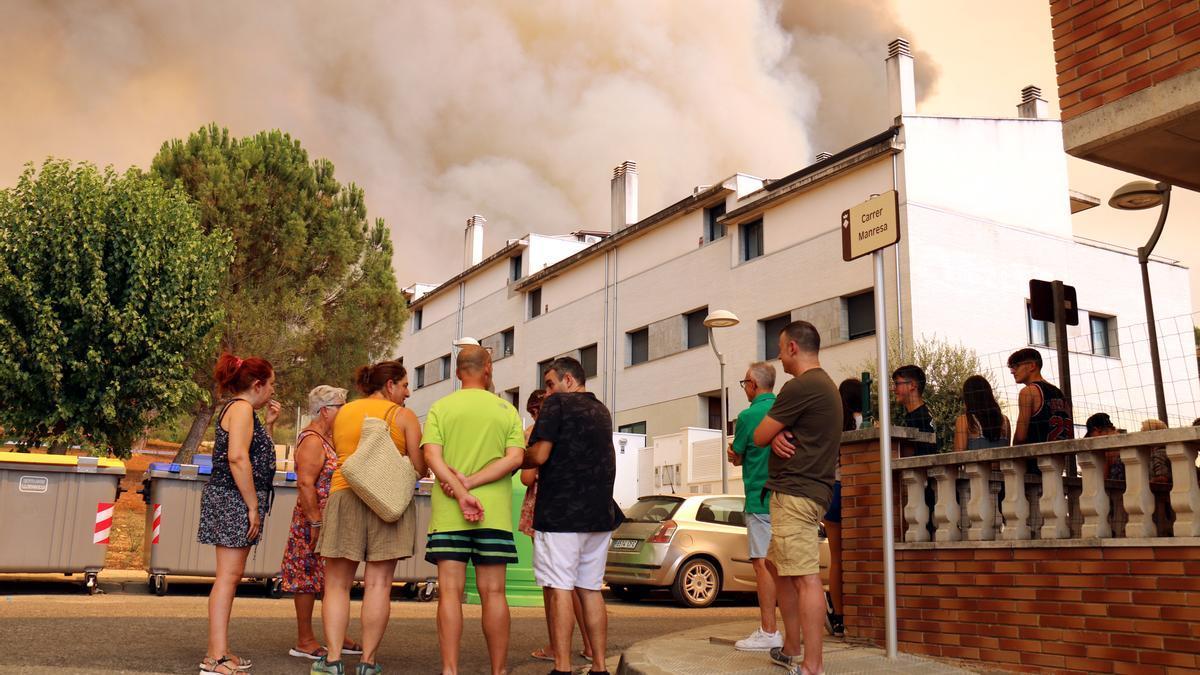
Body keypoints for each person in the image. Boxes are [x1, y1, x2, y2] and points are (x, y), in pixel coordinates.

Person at [313, 361, 426, 675]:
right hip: (386, 501)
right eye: (404, 385)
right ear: (389, 385)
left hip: (344, 494)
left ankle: (333, 661)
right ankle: (367, 663)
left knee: (336, 585)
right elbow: (419, 467)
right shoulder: (404, 417)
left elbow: (340, 452)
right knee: (378, 584)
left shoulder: (343, 412)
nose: (408, 392)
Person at [422, 345, 526, 675]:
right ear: (488, 370)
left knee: (450, 593)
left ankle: (450, 670)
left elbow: (432, 458)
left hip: (449, 512)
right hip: (493, 515)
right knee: (493, 593)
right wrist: (475, 483)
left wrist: (459, 487)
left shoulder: (440, 408)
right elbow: (515, 459)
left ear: (456, 372)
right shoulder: (506, 410)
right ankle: (499, 670)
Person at [752, 321, 842, 675]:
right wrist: (778, 435)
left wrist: (771, 435)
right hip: (810, 491)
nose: (777, 354)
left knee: (805, 578)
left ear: (793, 348)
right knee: (777, 566)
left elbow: (759, 434)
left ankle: (812, 666)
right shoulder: (826, 387)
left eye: (780, 346)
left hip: (794, 493)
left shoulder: (800, 386)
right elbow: (781, 434)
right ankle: (791, 647)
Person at [526, 356, 623, 675]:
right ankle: (598, 667)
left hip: (561, 514)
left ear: (569, 380)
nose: (548, 391)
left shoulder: (557, 405)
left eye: (551, 383)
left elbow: (539, 454)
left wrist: (516, 454)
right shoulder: (601, 410)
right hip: (599, 515)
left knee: (560, 589)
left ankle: (562, 667)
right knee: (591, 590)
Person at [197, 353, 281, 674]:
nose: (273, 391)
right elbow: (237, 459)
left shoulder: (241, 410)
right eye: (271, 384)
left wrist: (269, 427)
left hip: (231, 497)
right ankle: (214, 659)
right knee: (228, 578)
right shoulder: (242, 409)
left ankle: (219, 650)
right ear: (257, 384)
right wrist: (252, 506)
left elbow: (254, 455)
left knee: (229, 578)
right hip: (233, 498)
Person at [281, 386, 362, 661]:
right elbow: (305, 484)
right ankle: (304, 640)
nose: (345, 410)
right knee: (306, 579)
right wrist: (315, 522)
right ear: (325, 410)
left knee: (332, 579)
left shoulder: (330, 438)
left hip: (332, 519)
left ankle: (335, 636)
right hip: (313, 520)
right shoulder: (313, 440)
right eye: (341, 406)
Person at [522, 391, 594, 665]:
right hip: (577, 506)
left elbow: (528, 478)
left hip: (545, 507)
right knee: (580, 583)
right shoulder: (574, 424)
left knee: (553, 584)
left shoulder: (536, 432)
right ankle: (589, 646)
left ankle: (556, 647)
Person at [728, 362, 781, 652]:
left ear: (753, 383)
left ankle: (769, 630)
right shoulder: (785, 408)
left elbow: (736, 455)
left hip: (759, 498)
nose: (744, 388)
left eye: (744, 383)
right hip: (787, 499)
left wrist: (734, 455)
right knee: (787, 566)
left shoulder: (748, 416)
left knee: (763, 565)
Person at [824, 378, 863, 638]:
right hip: (860, 492)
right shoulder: (872, 423)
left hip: (835, 492)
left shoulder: (835, 425)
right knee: (859, 555)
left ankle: (838, 617)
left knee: (836, 559)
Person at [1008, 348, 1073, 445]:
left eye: (1016, 366)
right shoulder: (1060, 394)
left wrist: (1013, 454)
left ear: (1032, 366)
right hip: (1060, 457)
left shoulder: (1028, 392)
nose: (1012, 371)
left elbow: (1020, 437)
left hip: (1036, 457)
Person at [953, 375, 1011, 451]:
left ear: (968, 397)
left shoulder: (964, 421)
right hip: (1002, 463)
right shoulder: (1005, 421)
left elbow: (958, 456)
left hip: (975, 462)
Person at [892, 364, 936, 456]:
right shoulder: (920, 413)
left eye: (897, 384)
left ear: (912, 385)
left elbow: (912, 453)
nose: (893, 389)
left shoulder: (921, 417)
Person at [1084, 412, 1122, 480]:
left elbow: (1103, 478)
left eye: (1091, 434)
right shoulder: (1120, 438)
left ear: (1096, 430)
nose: (1091, 438)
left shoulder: (1106, 446)